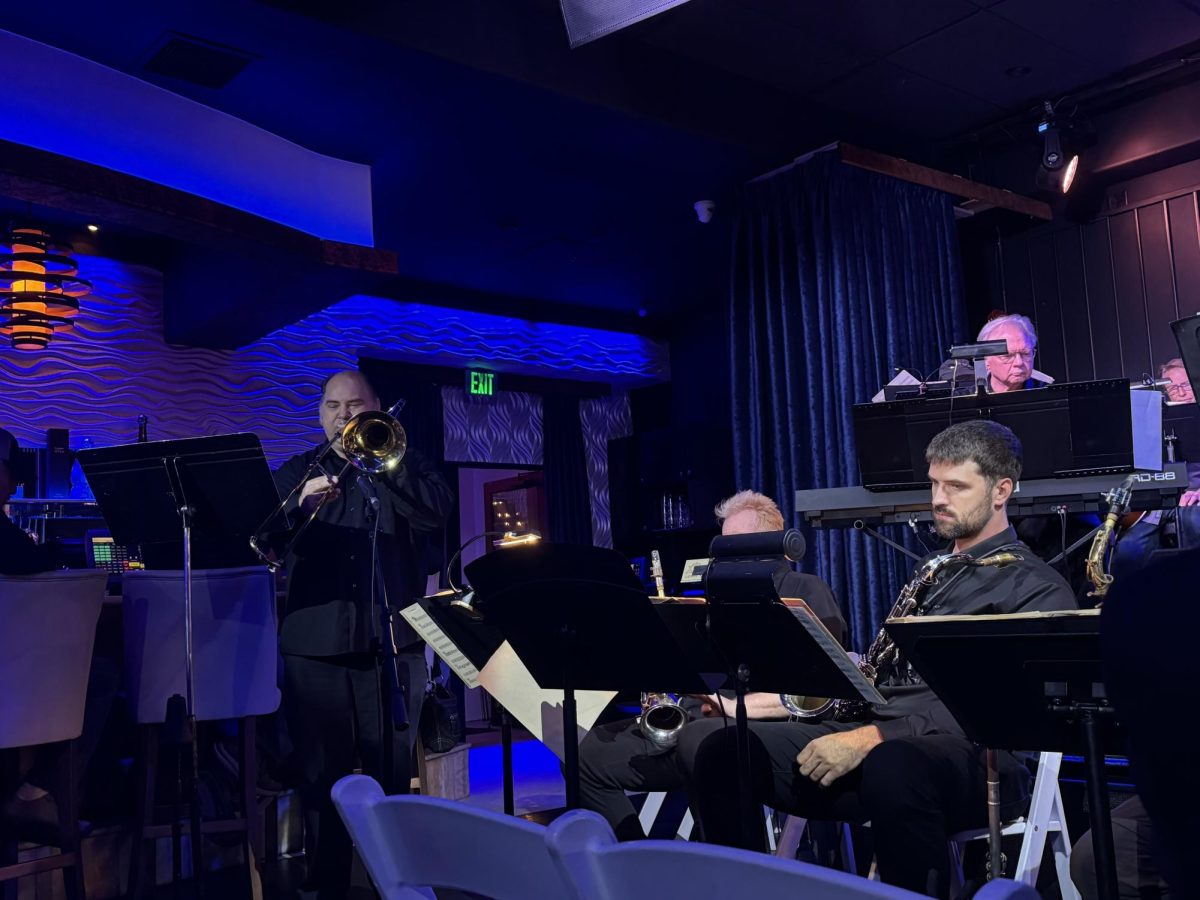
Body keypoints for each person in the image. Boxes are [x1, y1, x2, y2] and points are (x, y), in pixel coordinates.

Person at [678, 421, 1076, 898]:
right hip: (879, 737)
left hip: (977, 758)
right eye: (933, 483)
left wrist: (871, 737)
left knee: (895, 764)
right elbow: (885, 679)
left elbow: (995, 709)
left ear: (1001, 491)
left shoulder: (1036, 587)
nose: (938, 498)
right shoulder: (934, 570)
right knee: (724, 751)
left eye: (956, 486)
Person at [272, 371, 453, 899]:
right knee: (321, 776)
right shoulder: (298, 471)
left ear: (379, 411)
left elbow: (435, 512)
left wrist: (386, 462)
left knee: (390, 777)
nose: (342, 416)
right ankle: (325, 884)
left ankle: (391, 882)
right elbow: (260, 539)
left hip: (392, 642)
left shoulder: (406, 462)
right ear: (320, 413)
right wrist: (298, 509)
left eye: (354, 405)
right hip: (314, 644)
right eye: (332, 406)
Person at [576, 490, 847, 841]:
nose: (723, 556)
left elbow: (820, 692)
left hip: (756, 729)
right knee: (586, 756)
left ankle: (729, 872)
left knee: (703, 747)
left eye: (735, 544)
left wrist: (734, 707)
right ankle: (633, 866)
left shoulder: (804, 589)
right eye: (722, 546)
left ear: (773, 543)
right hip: (698, 718)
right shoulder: (715, 595)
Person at [0, 427, 120, 843]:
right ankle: (39, 794)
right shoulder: (10, 540)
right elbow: (34, 561)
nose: (15, 483)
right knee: (100, 674)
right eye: (10, 473)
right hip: (11, 691)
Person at [978, 313, 1044, 393]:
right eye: (1008, 356)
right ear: (986, 360)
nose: (1019, 363)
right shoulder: (965, 399)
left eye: (1025, 353)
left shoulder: (1048, 394)